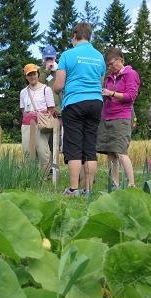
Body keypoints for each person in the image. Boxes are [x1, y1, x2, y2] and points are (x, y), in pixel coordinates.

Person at [53, 22, 106, 196]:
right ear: (89, 36)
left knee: (74, 146)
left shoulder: (68, 55)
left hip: (75, 102)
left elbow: (59, 86)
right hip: (96, 102)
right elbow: (100, 84)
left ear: (75, 36)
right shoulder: (99, 57)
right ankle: (88, 190)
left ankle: (74, 189)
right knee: (89, 146)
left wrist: (57, 86)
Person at [97, 47, 140, 188]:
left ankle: (131, 184)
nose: (110, 66)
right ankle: (114, 183)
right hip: (107, 116)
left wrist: (112, 94)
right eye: (108, 65)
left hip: (122, 117)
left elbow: (131, 96)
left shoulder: (131, 74)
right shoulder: (109, 77)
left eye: (112, 63)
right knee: (111, 152)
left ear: (120, 59)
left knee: (121, 151)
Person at [20, 63, 56, 175]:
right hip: (26, 124)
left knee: (42, 151)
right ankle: (30, 176)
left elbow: (51, 109)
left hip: (41, 123)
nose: (32, 77)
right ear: (26, 77)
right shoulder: (23, 92)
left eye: (34, 74)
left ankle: (45, 175)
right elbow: (22, 110)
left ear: (37, 74)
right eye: (29, 74)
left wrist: (41, 118)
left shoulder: (46, 89)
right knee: (27, 151)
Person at [38, 45, 63, 178]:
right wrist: (46, 71)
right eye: (46, 58)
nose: (49, 61)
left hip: (58, 113)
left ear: (55, 57)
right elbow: (38, 85)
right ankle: (46, 170)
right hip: (43, 113)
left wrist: (54, 71)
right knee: (44, 144)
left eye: (51, 58)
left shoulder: (60, 70)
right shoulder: (40, 71)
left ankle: (54, 170)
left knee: (56, 143)